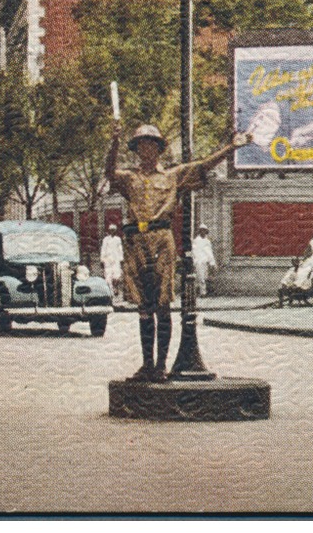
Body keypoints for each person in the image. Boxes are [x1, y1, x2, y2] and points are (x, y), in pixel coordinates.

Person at [105, 122, 252, 382]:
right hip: (136, 240)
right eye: (141, 145)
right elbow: (109, 173)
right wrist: (114, 140)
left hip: (162, 239)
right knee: (143, 306)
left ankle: (161, 365)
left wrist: (232, 147)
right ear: (136, 149)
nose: (146, 149)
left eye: (151, 144)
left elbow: (203, 165)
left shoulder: (172, 176)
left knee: (162, 304)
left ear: (159, 149)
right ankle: (147, 365)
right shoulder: (129, 179)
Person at [191, 225, 217, 297]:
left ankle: (205, 291)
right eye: (201, 230)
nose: (203, 232)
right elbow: (194, 251)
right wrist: (194, 261)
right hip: (199, 261)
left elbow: (209, 252)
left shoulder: (207, 241)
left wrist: (212, 262)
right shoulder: (196, 241)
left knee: (206, 277)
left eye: (204, 230)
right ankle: (202, 293)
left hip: (206, 262)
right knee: (200, 277)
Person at [99, 224, 124, 297]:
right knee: (108, 276)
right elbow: (103, 249)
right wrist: (102, 259)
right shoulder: (106, 239)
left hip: (116, 259)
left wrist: (121, 258)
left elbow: (120, 249)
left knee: (117, 276)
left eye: (113, 230)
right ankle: (110, 292)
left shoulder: (118, 239)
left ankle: (115, 288)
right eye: (111, 230)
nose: (112, 231)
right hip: (108, 259)